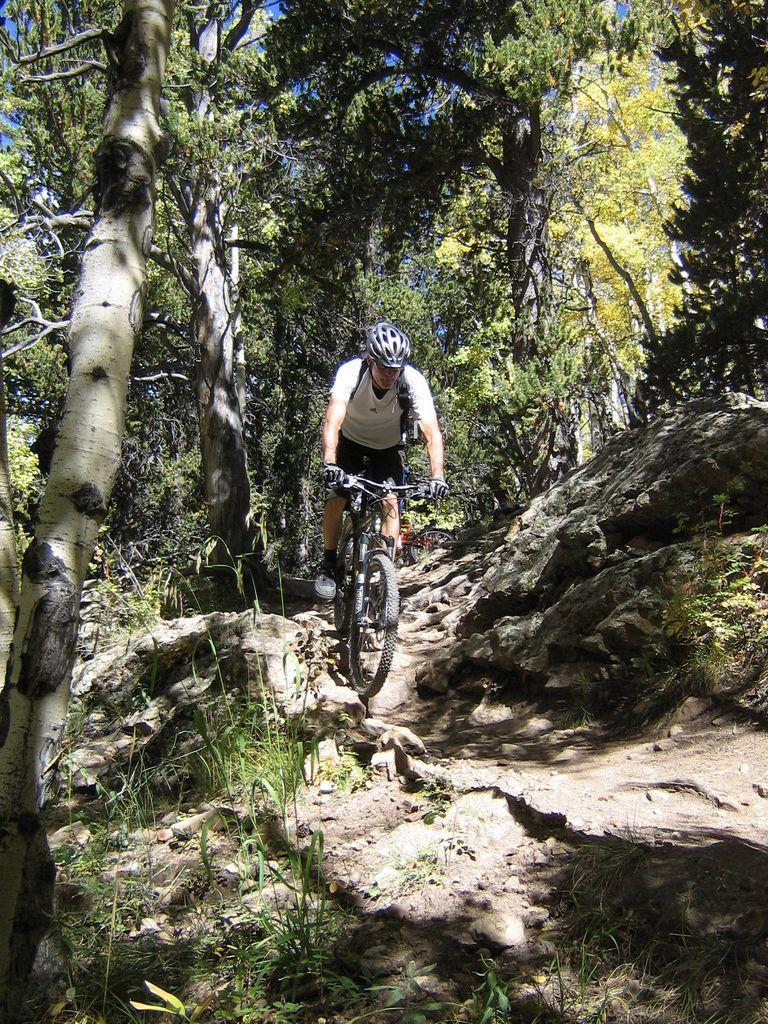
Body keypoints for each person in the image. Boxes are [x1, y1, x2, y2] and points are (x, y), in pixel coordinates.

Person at [314, 321, 448, 600]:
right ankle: (329, 563)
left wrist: (438, 476)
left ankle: (382, 569)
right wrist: (330, 462)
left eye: (395, 368)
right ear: (370, 360)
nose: (390, 374)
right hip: (349, 443)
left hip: (387, 450)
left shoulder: (412, 380)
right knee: (336, 497)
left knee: (390, 502)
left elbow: (432, 433)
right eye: (384, 367)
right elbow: (333, 420)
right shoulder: (351, 373)